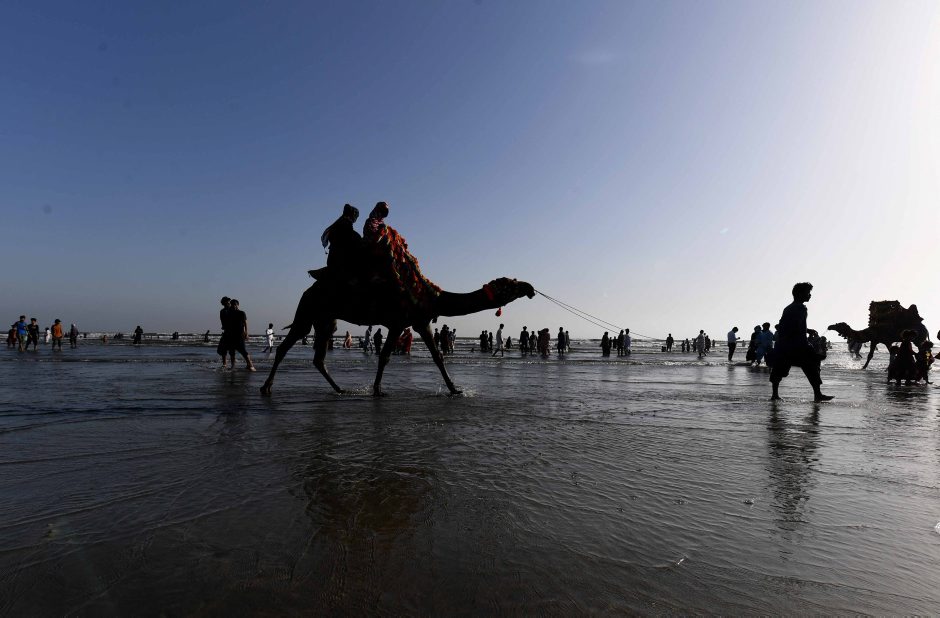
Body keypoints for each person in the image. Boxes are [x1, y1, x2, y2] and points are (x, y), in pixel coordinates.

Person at [362, 202, 441, 310]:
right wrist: (383, 235)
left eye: (384, 212)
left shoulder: (383, 225)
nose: (382, 214)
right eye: (381, 211)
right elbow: (372, 238)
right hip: (372, 251)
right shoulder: (371, 221)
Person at [769, 282, 832, 401]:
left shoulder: (788, 308)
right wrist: (805, 336)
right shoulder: (801, 308)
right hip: (799, 345)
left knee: (779, 369)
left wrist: (806, 330)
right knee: (813, 367)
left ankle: (775, 395)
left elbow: (782, 325)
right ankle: (818, 394)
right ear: (799, 294)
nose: (809, 295)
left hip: (784, 345)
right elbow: (795, 325)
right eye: (808, 293)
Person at [312, 204, 362, 282]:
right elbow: (349, 239)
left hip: (335, 257)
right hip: (340, 258)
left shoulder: (341, 224)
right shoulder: (345, 225)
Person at [223, 300, 256, 371]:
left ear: (238, 305)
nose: (233, 306)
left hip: (240, 334)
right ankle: (233, 366)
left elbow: (245, 323)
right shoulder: (229, 313)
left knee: (243, 350)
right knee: (231, 351)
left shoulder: (241, 313)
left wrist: (246, 332)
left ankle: (250, 365)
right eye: (232, 304)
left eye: (235, 304)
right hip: (231, 335)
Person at [217, 297, 232, 367]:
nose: (229, 303)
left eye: (229, 302)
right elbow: (222, 321)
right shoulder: (222, 311)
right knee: (223, 348)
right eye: (227, 302)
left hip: (233, 331)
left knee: (235, 349)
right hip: (226, 331)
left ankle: (232, 364)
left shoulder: (233, 310)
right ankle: (224, 364)